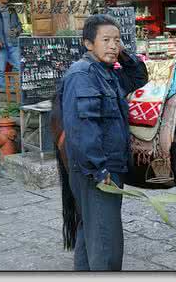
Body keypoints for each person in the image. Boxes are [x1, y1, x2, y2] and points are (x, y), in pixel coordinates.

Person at [60, 14, 148, 270]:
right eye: (106, 40)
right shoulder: (83, 75)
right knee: (107, 244)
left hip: (106, 168)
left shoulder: (107, 73)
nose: (113, 45)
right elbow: (82, 128)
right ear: (88, 43)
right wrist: (99, 169)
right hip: (97, 172)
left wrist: (122, 55)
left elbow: (139, 79)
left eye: (117, 41)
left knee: (92, 235)